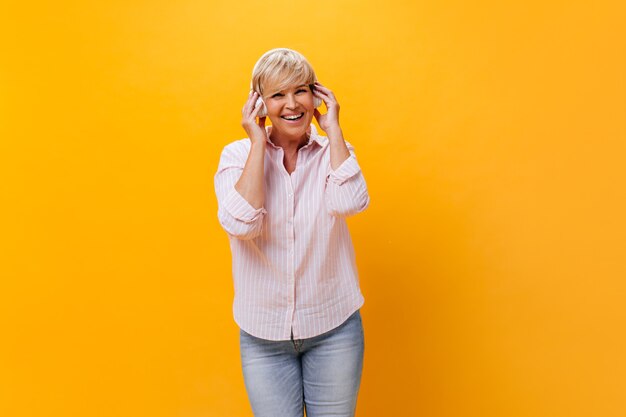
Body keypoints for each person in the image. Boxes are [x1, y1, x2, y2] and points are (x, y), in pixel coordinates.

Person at [214, 48, 370, 417]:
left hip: (334, 330)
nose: (291, 104)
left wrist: (332, 130)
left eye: (300, 90)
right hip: (263, 337)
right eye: (277, 95)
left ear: (316, 96)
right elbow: (241, 224)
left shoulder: (335, 151)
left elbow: (350, 202)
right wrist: (257, 143)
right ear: (259, 104)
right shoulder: (236, 157)